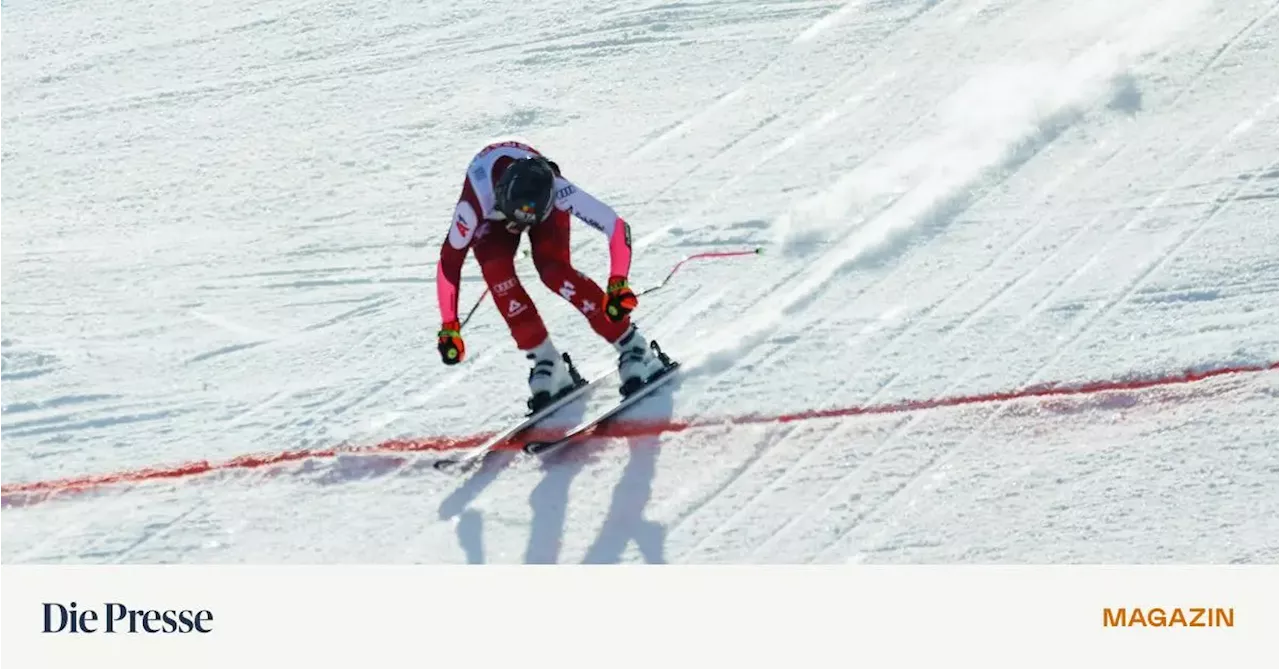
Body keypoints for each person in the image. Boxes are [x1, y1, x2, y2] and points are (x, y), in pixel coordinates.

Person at [433, 138, 667, 411]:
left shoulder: (558, 189)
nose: (518, 227)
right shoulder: (475, 201)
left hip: (538, 205)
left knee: (554, 270)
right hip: (492, 217)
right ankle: (546, 361)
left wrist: (618, 283)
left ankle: (633, 345)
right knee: (498, 273)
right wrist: (449, 324)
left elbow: (614, 226)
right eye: (516, 222)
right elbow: (449, 262)